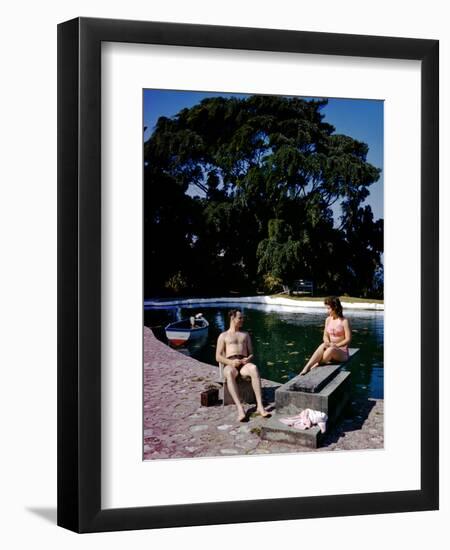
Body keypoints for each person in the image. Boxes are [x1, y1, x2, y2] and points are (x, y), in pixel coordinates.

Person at [216, 309, 270, 422]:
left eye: (242, 318)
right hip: (230, 363)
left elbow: (251, 353)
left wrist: (248, 358)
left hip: (243, 363)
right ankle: (240, 409)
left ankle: (260, 406)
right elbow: (218, 356)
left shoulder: (245, 335)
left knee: (254, 368)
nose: (242, 320)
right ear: (232, 318)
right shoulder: (223, 336)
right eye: (240, 318)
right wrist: (230, 362)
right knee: (230, 372)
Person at [299, 296, 352, 376]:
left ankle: (316, 365)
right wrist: (327, 342)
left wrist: (336, 345)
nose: (327, 311)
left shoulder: (344, 321)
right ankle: (307, 367)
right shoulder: (328, 320)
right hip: (330, 347)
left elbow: (348, 339)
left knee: (331, 350)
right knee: (323, 345)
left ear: (335, 308)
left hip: (342, 352)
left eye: (329, 308)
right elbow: (325, 336)